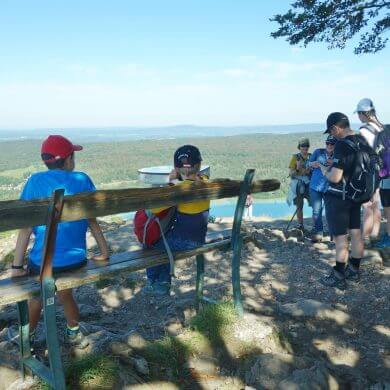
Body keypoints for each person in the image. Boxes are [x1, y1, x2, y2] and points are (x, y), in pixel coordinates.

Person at [11, 135, 109, 349]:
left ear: (46, 161)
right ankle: (73, 332)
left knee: (36, 297)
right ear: (68, 160)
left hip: (42, 264)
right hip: (76, 262)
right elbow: (92, 219)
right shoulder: (82, 179)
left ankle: (26, 338)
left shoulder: (35, 181)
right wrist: (104, 252)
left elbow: (25, 228)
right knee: (66, 294)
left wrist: (17, 268)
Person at [145, 145, 210, 295]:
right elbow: (193, 180)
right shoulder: (206, 183)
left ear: (176, 167)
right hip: (200, 238)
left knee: (153, 244)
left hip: (183, 241)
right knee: (165, 242)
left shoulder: (177, 191)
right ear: (199, 165)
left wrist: (171, 181)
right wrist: (182, 178)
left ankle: (158, 282)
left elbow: (153, 210)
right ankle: (162, 281)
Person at [320, 113, 365, 289]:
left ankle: (339, 275)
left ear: (335, 128)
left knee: (340, 237)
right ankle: (354, 270)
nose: (332, 135)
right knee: (355, 233)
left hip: (339, 198)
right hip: (356, 195)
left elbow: (335, 177)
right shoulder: (362, 140)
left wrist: (325, 169)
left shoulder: (341, 145)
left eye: (332, 131)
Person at [355, 98, 384, 247]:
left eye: (359, 114)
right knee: (376, 202)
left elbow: (361, 153)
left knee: (366, 204)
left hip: (368, 170)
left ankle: (365, 238)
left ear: (363, 113)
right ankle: (374, 235)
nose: (358, 117)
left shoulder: (364, 130)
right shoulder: (381, 127)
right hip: (382, 170)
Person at [308, 135, 337, 242]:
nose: (329, 145)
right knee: (316, 211)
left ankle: (333, 234)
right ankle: (319, 232)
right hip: (315, 186)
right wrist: (312, 163)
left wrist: (333, 163)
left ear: (336, 145)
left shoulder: (337, 155)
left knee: (331, 211)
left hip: (329, 187)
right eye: (327, 143)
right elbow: (308, 164)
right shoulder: (318, 152)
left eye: (332, 144)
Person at [287, 137, 311, 231]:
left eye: (306, 146)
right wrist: (297, 168)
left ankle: (315, 226)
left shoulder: (311, 156)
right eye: (303, 146)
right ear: (299, 147)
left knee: (315, 205)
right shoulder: (295, 157)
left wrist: (307, 171)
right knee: (299, 206)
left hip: (309, 184)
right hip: (298, 185)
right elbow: (291, 174)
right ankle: (300, 225)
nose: (305, 148)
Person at [375, 125, 390, 248]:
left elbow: (384, 170)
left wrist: (378, 173)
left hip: (386, 183)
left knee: (388, 211)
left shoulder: (384, 150)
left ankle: (389, 237)